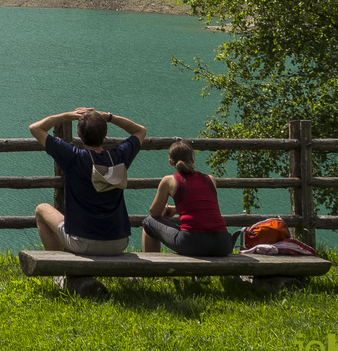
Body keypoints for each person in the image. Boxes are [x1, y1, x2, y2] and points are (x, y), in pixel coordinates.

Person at [30, 107, 146, 257]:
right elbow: (140, 131)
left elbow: (35, 128)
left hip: (82, 243)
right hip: (118, 243)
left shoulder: (73, 158)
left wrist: (67, 115)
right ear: (105, 134)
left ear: (79, 134)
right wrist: (109, 116)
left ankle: (56, 272)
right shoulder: (119, 158)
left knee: (42, 209)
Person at [142, 139, 234, 256]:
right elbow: (203, 208)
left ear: (171, 162)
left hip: (191, 242)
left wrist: (166, 209)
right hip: (222, 243)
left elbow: (154, 213)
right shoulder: (210, 179)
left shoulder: (169, 180)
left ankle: (151, 272)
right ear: (192, 159)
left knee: (148, 222)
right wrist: (176, 209)